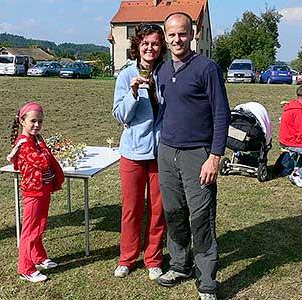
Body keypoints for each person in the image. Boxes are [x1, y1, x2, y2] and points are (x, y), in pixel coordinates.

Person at [155, 13, 230, 300]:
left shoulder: (207, 68)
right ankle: (179, 265)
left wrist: (215, 156)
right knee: (174, 214)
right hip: (167, 152)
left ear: (193, 34)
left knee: (201, 218)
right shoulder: (162, 71)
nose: (177, 40)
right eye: (172, 34)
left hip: (198, 154)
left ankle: (207, 282)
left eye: (182, 34)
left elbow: (221, 114)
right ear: (166, 35)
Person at [112, 23, 167, 281]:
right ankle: (127, 257)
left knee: (159, 209)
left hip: (161, 152)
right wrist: (133, 93)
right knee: (131, 209)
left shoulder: (167, 73)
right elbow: (119, 115)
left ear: (161, 46)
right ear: (137, 46)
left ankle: (153, 258)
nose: (150, 48)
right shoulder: (125, 75)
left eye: (155, 43)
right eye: (145, 43)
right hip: (133, 152)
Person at [7, 102, 65, 283]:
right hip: (33, 192)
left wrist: (44, 147)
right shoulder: (24, 144)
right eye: (33, 121)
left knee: (40, 225)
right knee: (30, 230)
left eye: (40, 121)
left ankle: (38, 257)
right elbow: (41, 161)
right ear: (22, 121)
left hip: (43, 188)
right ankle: (25, 267)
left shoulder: (36, 140)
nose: (37, 125)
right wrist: (46, 149)